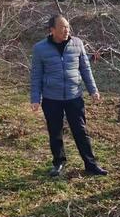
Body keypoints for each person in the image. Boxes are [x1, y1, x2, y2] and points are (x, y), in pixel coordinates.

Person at [30, 14, 107, 177]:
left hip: (74, 96)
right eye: (62, 27)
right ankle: (59, 162)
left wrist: (93, 90)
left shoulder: (77, 44)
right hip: (51, 98)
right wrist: (35, 99)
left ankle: (90, 164)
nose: (67, 30)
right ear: (52, 30)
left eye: (68, 27)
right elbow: (36, 75)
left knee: (80, 131)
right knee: (55, 132)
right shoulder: (39, 48)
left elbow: (86, 69)